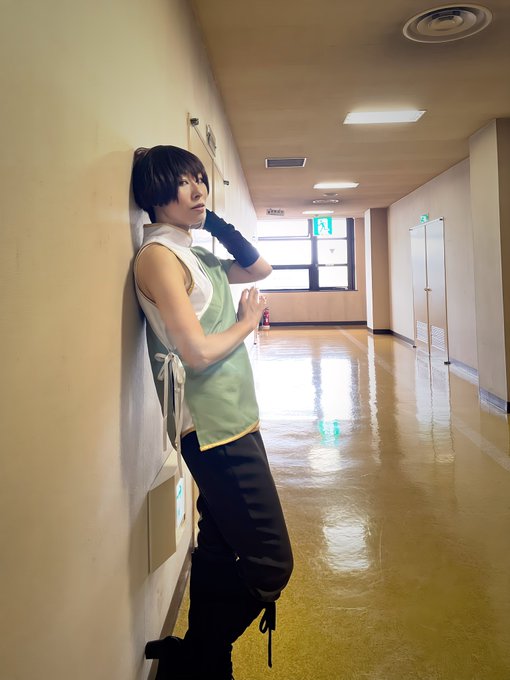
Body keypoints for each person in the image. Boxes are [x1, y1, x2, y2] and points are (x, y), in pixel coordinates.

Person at [131, 145, 293, 680]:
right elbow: (195, 353)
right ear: (155, 193)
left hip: (235, 418)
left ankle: (201, 659)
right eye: (184, 182)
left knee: (220, 545)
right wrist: (248, 323)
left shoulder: (193, 253)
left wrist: (210, 219)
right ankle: (202, 653)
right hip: (210, 427)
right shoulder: (158, 257)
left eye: (200, 178)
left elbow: (260, 266)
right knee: (271, 562)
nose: (198, 189)